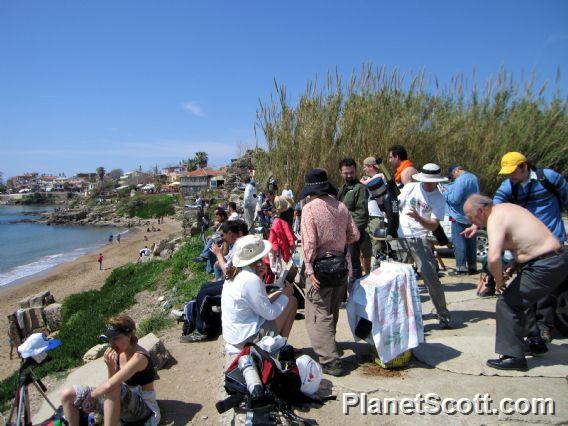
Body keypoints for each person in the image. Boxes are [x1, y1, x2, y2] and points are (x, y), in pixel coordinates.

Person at [463, 194, 568, 371]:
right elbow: (527, 241)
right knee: (520, 301)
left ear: (481, 210)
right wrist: (515, 263)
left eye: (471, 217)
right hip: (551, 259)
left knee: (506, 303)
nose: (472, 222)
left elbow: (494, 257)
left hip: (545, 264)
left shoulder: (495, 217)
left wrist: (498, 280)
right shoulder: (507, 209)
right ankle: (535, 342)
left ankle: (513, 357)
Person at [301, 168, 360, 376]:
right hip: (341, 267)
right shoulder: (342, 207)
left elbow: (309, 243)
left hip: (320, 268)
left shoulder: (309, 209)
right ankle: (330, 346)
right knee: (333, 309)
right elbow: (355, 235)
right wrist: (338, 243)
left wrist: (308, 270)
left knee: (318, 313)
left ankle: (330, 360)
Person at [60, 315, 161, 425]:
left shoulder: (139, 357)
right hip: (123, 403)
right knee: (67, 394)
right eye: (110, 339)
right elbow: (112, 382)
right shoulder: (118, 353)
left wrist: (91, 396)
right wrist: (111, 367)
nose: (112, 343)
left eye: (116, 338)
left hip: (144, 409)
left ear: (129, 334)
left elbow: (111, 385)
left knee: (114, 387)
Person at [221, 235, 297, 355]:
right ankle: (281, 349)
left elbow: (259, 302)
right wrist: (285, 295)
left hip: (235, 334)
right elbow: (270, 313)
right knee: (291, 302)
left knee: (281, 296)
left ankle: (280, 346)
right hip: (246, 338)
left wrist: (280, 293)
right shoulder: (250, 279)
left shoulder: (236, 273)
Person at [398, 163, 452, 329]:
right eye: (426, 181)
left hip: (420, 237)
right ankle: (401, 316)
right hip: (401, 236)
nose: (428, 184)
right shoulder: (410, 188)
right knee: (399, 278)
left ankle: (443, 315)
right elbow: (397, 204)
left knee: (430, 276)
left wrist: (418, 218)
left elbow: (434, 225)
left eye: (432, 182)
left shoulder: (439, 198)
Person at [181, 220, 249, 343]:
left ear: (235, 233)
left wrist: (218, 254)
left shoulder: (242, 246)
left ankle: (205, 331)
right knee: (204, 287)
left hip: (237, 286)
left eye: (225, 234)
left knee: (204, 296)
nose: (224, 238)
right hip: (235, 281)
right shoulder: (239, 245)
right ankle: (208, 322)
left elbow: (227, 271)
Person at [443, 165, 480, 275]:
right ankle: (472, 267)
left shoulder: (460, 180)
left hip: (458, 215)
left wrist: (445, 193)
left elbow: (455, 199)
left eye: (452, 175)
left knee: (459, 242)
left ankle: (461, 268)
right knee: (471, 243)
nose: (453, 178)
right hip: (472, 215)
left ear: (456, 170)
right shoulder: (474, 178)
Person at [337, 158, 370, 278]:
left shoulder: (360, 189)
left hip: (352, 234)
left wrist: (350, 233)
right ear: (340, 172)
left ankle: (355, 293)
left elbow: (362, 215)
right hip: (342, 233)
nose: (349, 175)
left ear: (356, 171)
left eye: (352, 172)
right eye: (346, 173)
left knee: (353, 265)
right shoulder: (342, 189)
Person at [360, 156, 386, 268]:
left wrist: (364, 182)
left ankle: (378, 262)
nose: (364, 169)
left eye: (365, 166)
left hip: (377, 215)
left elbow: (373, 181)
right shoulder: (371, 178)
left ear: (371, 166)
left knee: (377, 241)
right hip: (368, 215)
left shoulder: (380, 176)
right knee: (367, 241)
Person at [266, 197, 296, 280]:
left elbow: (279, 209)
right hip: (285, 234)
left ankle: (279, 275)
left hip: (280, 240)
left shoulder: (279, 202)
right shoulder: (287, 206)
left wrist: (272, 213)